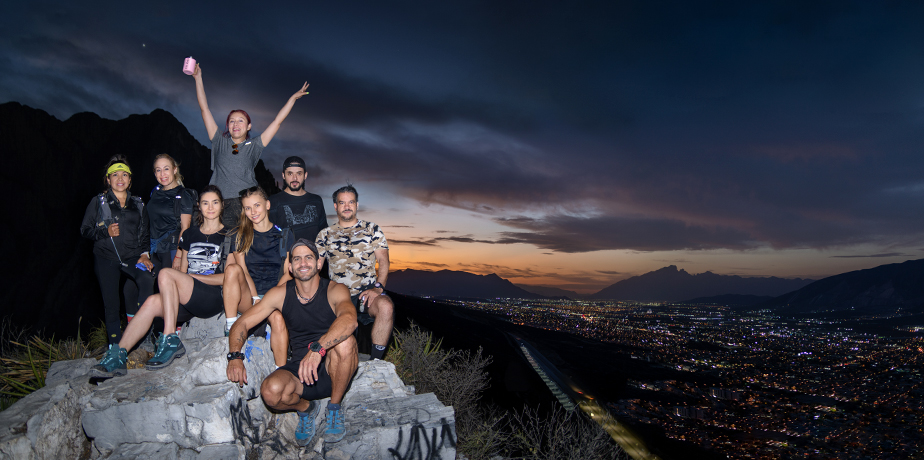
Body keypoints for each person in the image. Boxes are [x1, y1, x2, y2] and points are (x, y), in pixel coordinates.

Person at [90, 185, 230, 377]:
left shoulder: (229, 235)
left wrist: (191, 278)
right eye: (205, 203)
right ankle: (118, 355)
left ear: (222, 205)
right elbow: (182, 271)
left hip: (212, 298)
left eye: (215, 202)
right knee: (151, 302)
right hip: (188, 298)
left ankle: (170, 338)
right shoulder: (189, 234)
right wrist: (184, 278)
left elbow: (229, 277)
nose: (210, 207)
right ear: (199, 206)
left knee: (165, 273)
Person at [227, 240, 358, 446]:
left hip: (334, 369)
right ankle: (306, 409)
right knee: (270, 391)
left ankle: (334, 407)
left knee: (346, 343)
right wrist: (235, 355)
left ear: (318, 264)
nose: (302, 263)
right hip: (301, 372)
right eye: (296, 259)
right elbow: (241, 323)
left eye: (308, 257)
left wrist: (318, 349)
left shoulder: (335, 289)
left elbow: (349, 320)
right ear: (289, 266)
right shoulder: (280, 294)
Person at [190, 62, 309, 228]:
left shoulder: (254, 145)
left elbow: (277, 122)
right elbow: (205, 110)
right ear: (228, 126)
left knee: (245, 248)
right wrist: (198, 78)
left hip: (246, 204)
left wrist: (292, 99)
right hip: (220, 203)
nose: (236, 124)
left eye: (241, 120)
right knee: (224, 248)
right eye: (232, 121)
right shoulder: (219, 141)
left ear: (248, 126)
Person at [80, 155, 154, 345]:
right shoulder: (98, 202)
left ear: (130, 180)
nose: (119, 179)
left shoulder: (138, 204)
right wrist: (105, 232)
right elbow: (85, 230)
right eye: (115, 175)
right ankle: (115, 348)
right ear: (108, 179)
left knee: (146, 278)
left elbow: (145, 233)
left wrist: (145, 255)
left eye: (124, 175)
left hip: (132, 256)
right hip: (106, 258)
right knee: (112, 304)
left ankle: (140, 332)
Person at [315, 185, 393, 360]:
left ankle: (376, 362)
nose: (347, 206)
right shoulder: (325, 234)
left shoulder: (372, 229)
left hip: (366, 294)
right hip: (339, 295)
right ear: (335, 206)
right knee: (346, 341)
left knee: (386, 306)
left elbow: (384, 261)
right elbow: (316, 267)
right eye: (342, 203)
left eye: (351, 202)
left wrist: (378, 288)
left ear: (357, 204)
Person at [222, 186, 292, 366]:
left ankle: (280, 370)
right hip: (249, 296)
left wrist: (269, 299)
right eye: (247, 208)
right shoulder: (240, 235)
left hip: (275, 295)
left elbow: (288, 273)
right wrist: (255, 298)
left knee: (276, 319)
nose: (252, 212)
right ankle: (231, 325)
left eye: (257, 206)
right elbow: (243, 271)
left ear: (267, 205)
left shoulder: (284, 235)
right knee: (232, 269)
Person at [148, 154, 195, 273]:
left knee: (169, 288)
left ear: (174, 170)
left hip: (172, 249)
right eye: (158, 170)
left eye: (166, 169)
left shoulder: (183, 195)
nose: (162, 174)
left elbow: (186, 227)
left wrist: (179, 257)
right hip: (154, 249)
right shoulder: (155, 192)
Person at [268, 156, 328, 243]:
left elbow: (324, 233)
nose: (294, 178)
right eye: (290, 174)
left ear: (305, 175)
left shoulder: (316, 201)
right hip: (286, 256)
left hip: (315, 256)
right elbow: (269, 236)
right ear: (283, 175)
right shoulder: (273, 201)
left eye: (299, 173)